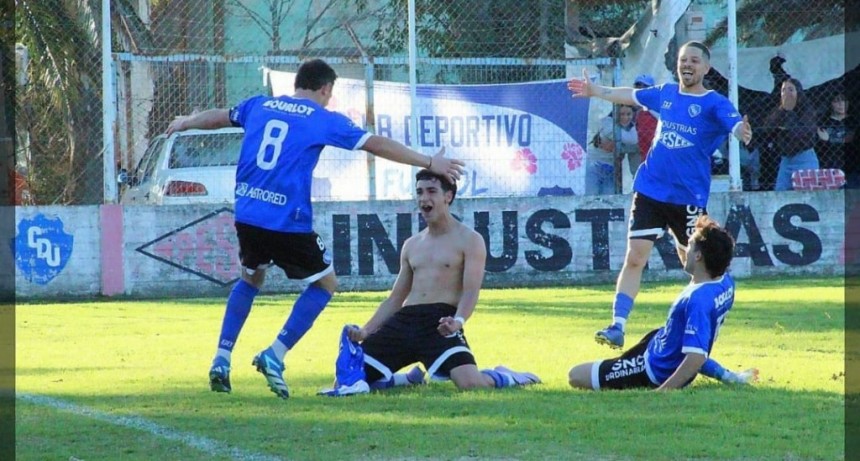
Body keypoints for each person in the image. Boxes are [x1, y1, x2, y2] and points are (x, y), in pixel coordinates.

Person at [165, 58, 465, 398]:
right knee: (325, 284)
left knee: (250, 279)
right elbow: (375, 143)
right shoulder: (322, 118)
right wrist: (429, 162)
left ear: (297, 83)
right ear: (325, 89)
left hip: (247, 213)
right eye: (328, 94)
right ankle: (275, 354)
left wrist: (186, 121)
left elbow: (218, 116)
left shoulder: (259, 105)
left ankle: (222, 357)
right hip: (286, 221)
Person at [567, 41, 753, 349]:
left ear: (706, 67)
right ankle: (617, 325)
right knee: (636, 256)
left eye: (694, 60)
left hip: (688, 198)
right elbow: (629, 95)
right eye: (683, 60)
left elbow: (733, 122)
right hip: (650, 190)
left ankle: (706, 317)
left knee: (694, 264)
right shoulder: (666, 94)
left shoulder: (713, 102)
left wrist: (740, 132)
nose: (687, 64)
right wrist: (596, 90)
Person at [322, 169, 540, 395]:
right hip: (404, 322)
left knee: (471, 384)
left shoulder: (470, 240)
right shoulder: (411, 244)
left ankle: (506, 376)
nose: (424, 198)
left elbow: (470, 291)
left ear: (448, 196)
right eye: (419, 192)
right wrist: (366, 331)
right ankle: (402, 380)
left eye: (431, 191)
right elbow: (396, 298)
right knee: (347, 383)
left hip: (439, 324)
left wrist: (457, 321)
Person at [568, 216, 759, 391]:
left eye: (690, 246)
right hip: (659, 343)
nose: (686, 251)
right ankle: (728, 376)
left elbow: (695, 357)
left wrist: (663, 391)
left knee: (575, 375)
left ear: (699, 256)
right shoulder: (724, 282)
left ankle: (725, 376)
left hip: (653, 367)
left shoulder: (698, 300)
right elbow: (693, 341)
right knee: (688, 339)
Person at [765, 78, 820, 191]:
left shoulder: (807, 110)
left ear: (798, 92)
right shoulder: (780, 110)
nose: (786, 93)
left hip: (804, 157)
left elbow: (801, 132)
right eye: (783, 90)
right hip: (786, 158)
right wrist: (783, 110)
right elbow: (767, 128)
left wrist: (789, 115)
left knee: (805, 195)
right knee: (780, 192)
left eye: (790, 90)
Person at [587, 104, 639, 195]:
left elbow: (633, 142)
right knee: (591, 197)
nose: (625, 118)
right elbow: (632, 139)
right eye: (621, 114)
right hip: (595, 165)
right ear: (615, 114)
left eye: (628, 114)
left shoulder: (630, 128)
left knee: (609, 200)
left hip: (612, 169)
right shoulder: (607, 123)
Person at [816, 92, 856, 174]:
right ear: (831, 104)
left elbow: (850, 138)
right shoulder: (824, 121)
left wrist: (829, 139)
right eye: (836, 101)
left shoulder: (853, 120)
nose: (841, 104)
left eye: (843, 100)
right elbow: (820, 139)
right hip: (828, 162)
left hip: (850, 162)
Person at [633, 74, 658, 165]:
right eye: (638, 86)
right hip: (641, 156)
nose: (641, 89)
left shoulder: (654, 110)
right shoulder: (630, 108)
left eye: (645, 87)